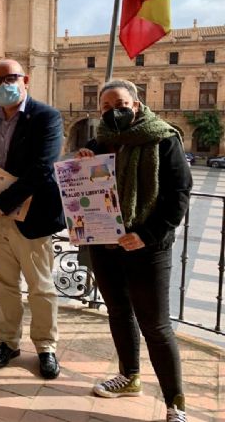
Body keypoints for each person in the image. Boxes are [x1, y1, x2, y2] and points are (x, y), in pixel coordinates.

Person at [77, 80, 191, 422]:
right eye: (106, 107)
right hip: (106, 244)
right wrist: (82, 163)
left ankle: (175, 403)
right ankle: (129, 376)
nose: (114, 110)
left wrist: (145, 234)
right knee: (119, 312)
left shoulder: (164, 138)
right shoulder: (99, 143)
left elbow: (179, 194)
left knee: (155, 325)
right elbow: (85, 189)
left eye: (120, 103)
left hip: (148, 247)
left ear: (137, 105)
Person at [0, 59, 64, 379]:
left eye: (10, 78)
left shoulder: (47, 116)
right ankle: (7, 342)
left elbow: (43, 168)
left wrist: (1, 203)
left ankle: (46, 346)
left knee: (41, 286)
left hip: (30, 214)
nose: (4, 84)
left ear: (26, 80)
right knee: (4, 284)